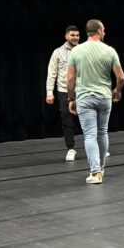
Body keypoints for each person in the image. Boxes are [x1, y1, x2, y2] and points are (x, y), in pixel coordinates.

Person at [66, 19, 124, 185]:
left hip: (85, 98)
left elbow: (70, 79)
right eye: (103, 30)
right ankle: (101, 168)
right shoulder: (110, 51)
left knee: (90, 135)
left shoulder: (76, 51)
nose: (104, 32)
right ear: (98, 31)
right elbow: (121, 77)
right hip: (105, 97)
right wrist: (117, 90)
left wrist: (71, 98)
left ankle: (95, 171)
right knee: (102, 133)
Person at [45, 25, 81, 161]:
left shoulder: (83, 50)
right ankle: (71, 148)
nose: (75, 38)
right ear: (66, 36)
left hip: (82, 90)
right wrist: (49, 92)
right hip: (64, 91)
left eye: (77, 35)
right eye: (72, 35)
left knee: (89, 119)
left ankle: (98, 148)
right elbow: (51, 74)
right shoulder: (58, 52)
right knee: (67, 120)